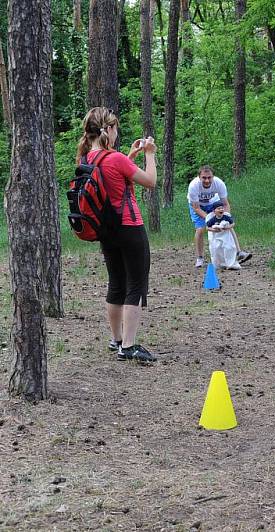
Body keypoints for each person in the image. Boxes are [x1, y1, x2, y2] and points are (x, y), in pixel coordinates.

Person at [76, 107, 158, 362]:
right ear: (108, 130)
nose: (116, 133)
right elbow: (150, 181)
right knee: (136, 284)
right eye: (115, 129)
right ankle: (130, 346)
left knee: (116, 283)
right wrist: (150, 155)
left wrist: (130, 155)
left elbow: (113, 176)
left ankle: (117, 339)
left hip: (106, 230)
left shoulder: (86, 158)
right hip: (130, 227)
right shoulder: (116, 158)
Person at [187, 165, 252, 268]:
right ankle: (200, 258)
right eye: (204, 178)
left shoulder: (219, 183)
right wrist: (211, 219)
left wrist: (225, 219)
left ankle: (239, 252)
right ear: (199, 177)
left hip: (214, 203)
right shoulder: (193, 186)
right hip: (198, 206)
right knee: (200, 229)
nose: (207, 180)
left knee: (228, 225)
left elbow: (225, 204)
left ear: (213, 177)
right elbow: (196, 208)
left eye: (209, 177)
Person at [205, 200, 241, 270]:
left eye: (222, 208)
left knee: (229, 248)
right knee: (217, 249)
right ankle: (220, 264)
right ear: (214, 211)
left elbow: (233, 223)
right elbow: (207, 228)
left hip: (226, 236)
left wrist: (228, 227)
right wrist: (214, 229)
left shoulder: (226, 217)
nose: (221, 210)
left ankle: (231, 263)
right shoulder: (212, 219)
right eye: (218, 208)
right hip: (217, 237)